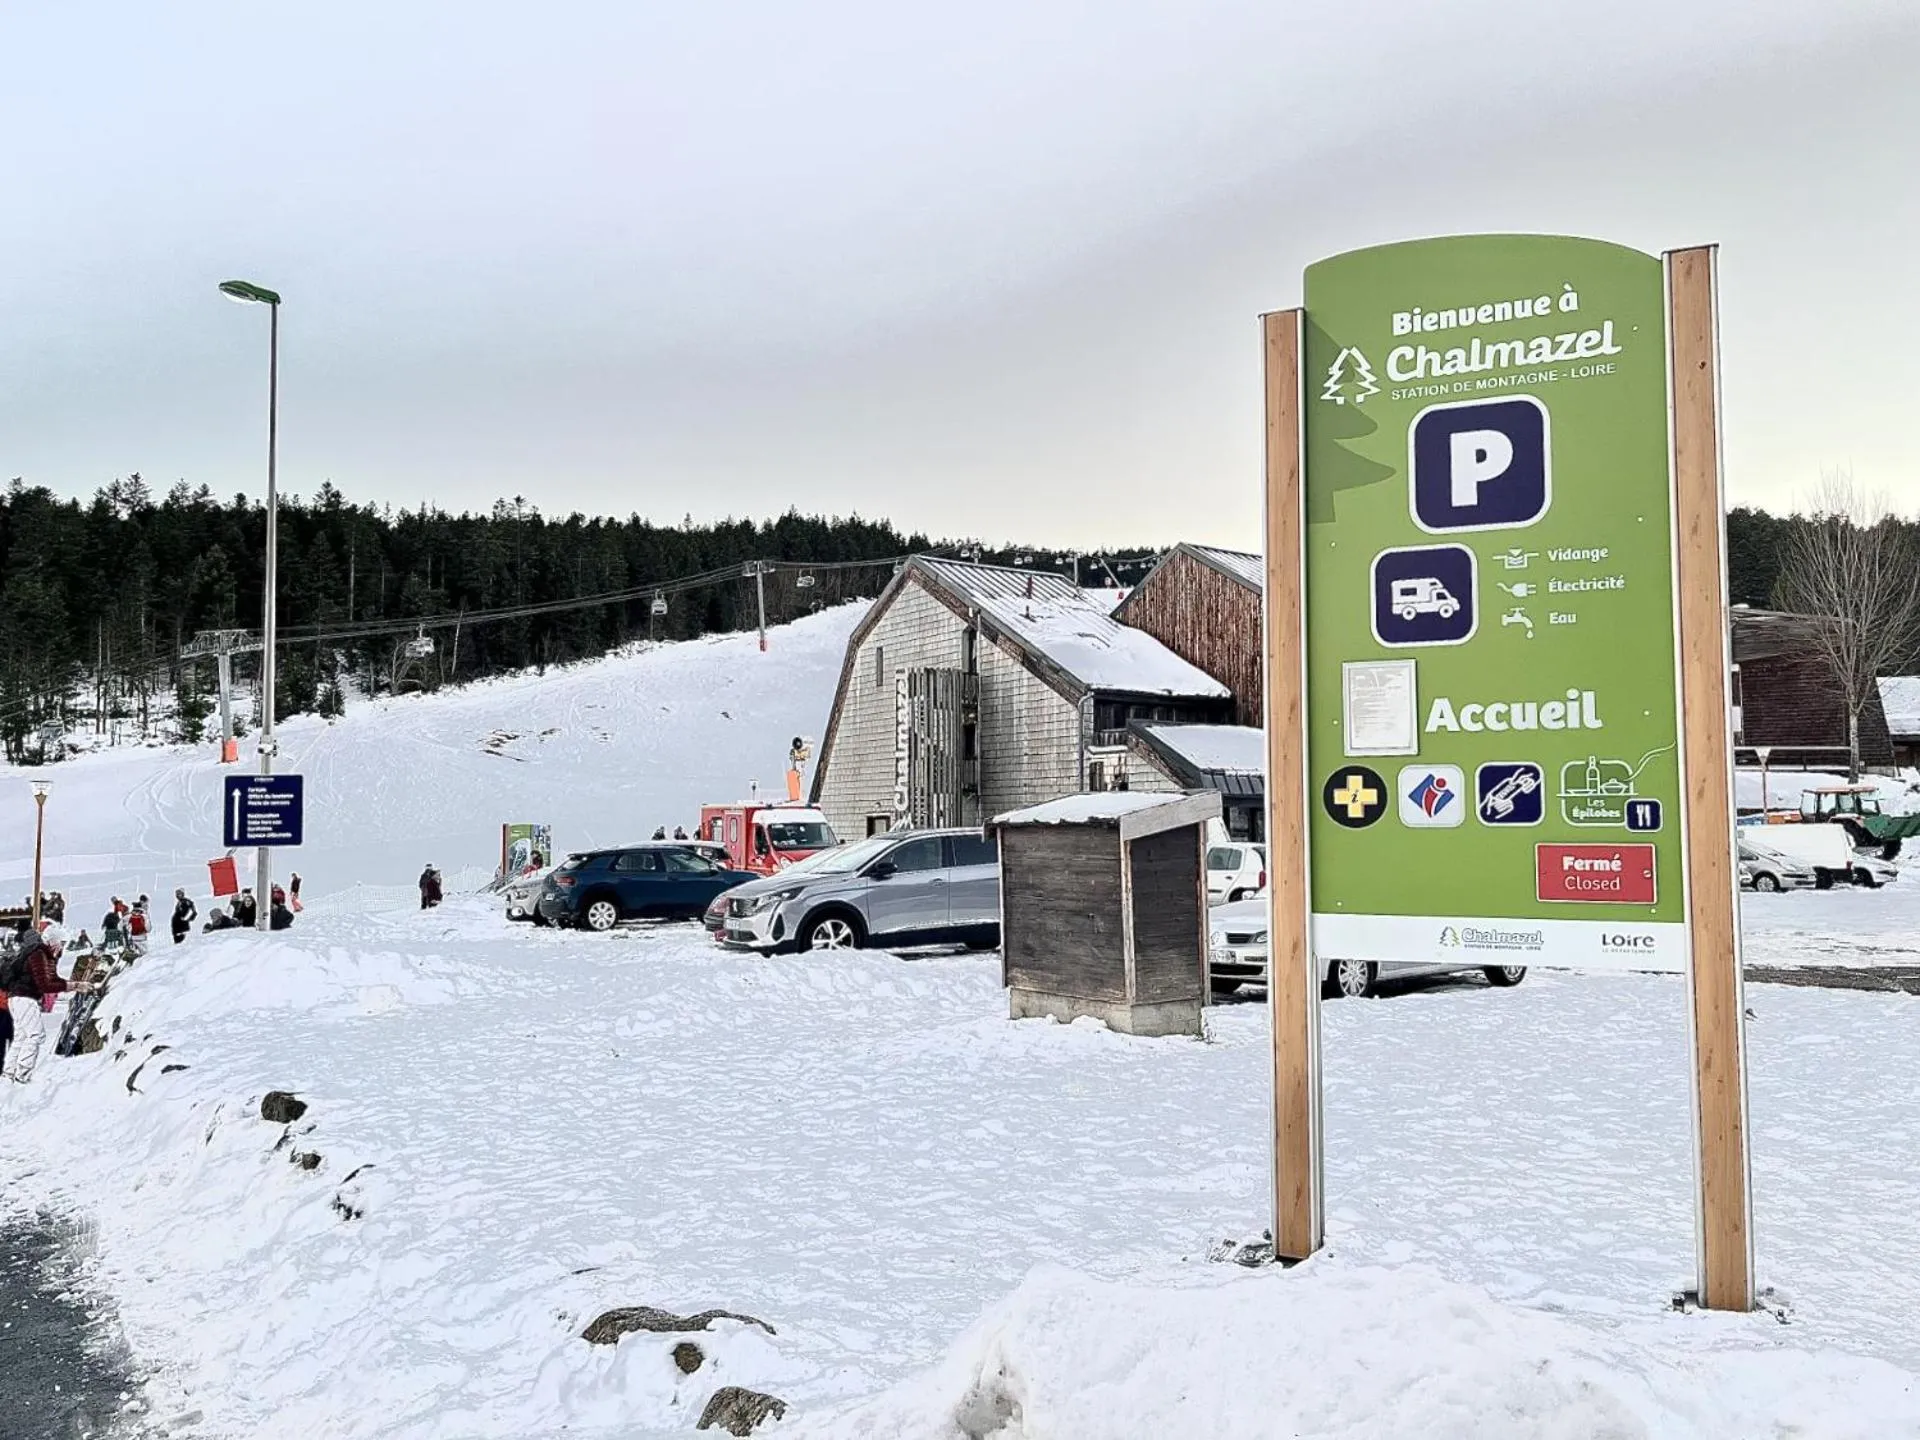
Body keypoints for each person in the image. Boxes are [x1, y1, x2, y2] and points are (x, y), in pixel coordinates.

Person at [1, 924, 97, 1084]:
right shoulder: (38, 955)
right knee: (36, 1034)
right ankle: (22, 1075)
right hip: (24, 998)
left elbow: (53, 979)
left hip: (18, 998)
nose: (63, 947)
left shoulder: (43, 955)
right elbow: (45, 985)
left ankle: (9, 1073)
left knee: (21, 1036)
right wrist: (74, 986)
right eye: (62, 943)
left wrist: (75, 984)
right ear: (54, 941)